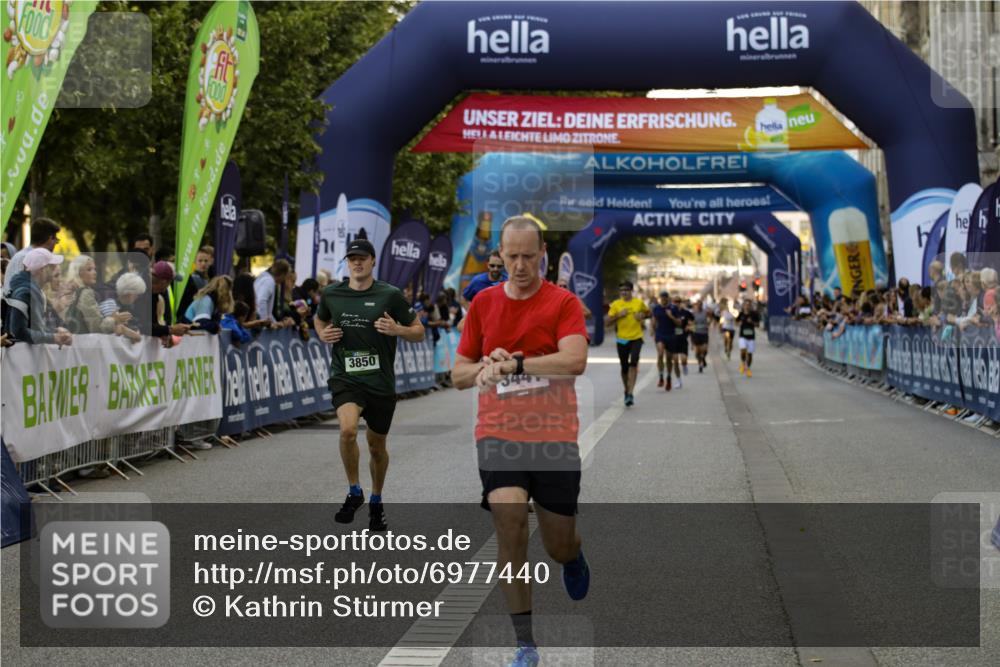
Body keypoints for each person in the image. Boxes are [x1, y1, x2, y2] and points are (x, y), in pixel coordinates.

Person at [452, 216, 589, 667]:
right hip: (498, 432)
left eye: (529, 256)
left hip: (553, 436)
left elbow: (574, 361)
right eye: (511, 256)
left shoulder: (563, 302)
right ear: (501, 255)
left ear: (542, 253)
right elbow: (458, 374)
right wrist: (485, 370)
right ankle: (525, 642)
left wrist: (517, 364)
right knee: (509, 521)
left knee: (556, 544)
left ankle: (572, 555)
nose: (520, 265)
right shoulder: (484, 305)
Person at [314, 238, 425, 531]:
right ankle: (354, 491)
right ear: (347, 263)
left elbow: (419, 332)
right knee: (348, 430)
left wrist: (398, 329)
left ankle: (376, 499)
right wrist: (323, 334)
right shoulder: (332, 293)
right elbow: (319, 320)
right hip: (346, 376)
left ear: (373, 261)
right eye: (352, 258)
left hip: (380, 382)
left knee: (377, 447)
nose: (357, 263)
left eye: (362, 258)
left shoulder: (390, 295)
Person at [3, 248, 73, 347]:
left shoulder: (32, 290)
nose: (55, 268)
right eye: (52, 266)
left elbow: (34, 327)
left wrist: (55, 331)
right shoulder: (25, 291)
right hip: (20, 358)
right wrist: (53, 337)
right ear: (42, 269)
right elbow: (18, 331)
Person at [605, 280, 649, 406]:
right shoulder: (616, 305)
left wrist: (642, 316)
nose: (624, 292)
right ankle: (626, 389)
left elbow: (648, 313)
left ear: (631, 291)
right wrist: (619, 315)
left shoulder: (638, 303)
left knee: (633, 364)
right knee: (624, 367)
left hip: (636, 338)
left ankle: (630, 393)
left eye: (626, 290)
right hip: (622, 339)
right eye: (622, 290)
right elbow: (607, 322)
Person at [63, 255, 122, 334]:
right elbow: (97, 327)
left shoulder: (65, 292)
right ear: (78, 272)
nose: (95, 273)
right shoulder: (86, 293)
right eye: (89, 269)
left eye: (94, 269)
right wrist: (114, 319)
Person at [3, 218, 60, 298]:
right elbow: (21, 293)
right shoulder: (25, 258)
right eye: (56, 240)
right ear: (50, 239)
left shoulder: (26, 256)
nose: (56, 244)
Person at [150, 261, 190, 345]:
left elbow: (152, 323)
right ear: (164, 282)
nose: (169, 286)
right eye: (169, 282)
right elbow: (143, 326)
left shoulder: (154, 294)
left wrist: (163, 333)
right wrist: (170, 329)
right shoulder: (141, 291)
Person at [254, 259, 291, 327]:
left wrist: (275, 323)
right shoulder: (269, 281)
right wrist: (265, 322)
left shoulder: (263, 277)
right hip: (259, 324)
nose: (284, 279)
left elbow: (268, 312)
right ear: (283, 274)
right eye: (286, 276)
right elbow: (261, 301)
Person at [651, 291, 675, 390]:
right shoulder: (656, 308)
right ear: (660, 298)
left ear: (668, 298)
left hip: (671, 335)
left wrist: (671, 316)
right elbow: (654, 320)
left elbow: (678, 323)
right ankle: (661, 376)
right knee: (660, 354)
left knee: (669, 358)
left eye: (665, 297)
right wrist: (652, 329)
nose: (663, 299)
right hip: (660, 334)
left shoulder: (673, 308)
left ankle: (668, 377)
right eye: (662, 297)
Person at [736, 300, 761, 377]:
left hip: (751, 336)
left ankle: (748, 368)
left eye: (748, 305)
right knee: (743, 350)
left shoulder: (754, 314)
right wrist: (738, 323)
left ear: (750, 306)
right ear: (743, 306)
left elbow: (758, 325)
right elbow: (736, 322)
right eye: (745, 305)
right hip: (742, 335)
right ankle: (743, 363)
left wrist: (752, 322)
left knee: (750, 354)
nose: (747, 306)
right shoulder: (741, 314)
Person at [690, 299, 710, 373]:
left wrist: (708, 323)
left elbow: (709, 319)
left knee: (704, 350)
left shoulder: (705, 312)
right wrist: (691, 330)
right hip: (696, 333)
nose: (699, 306)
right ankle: (700, 365)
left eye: (700, 304)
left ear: (702, 305)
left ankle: (703, 358)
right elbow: (691, 323)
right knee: (697, 352)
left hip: (704, 333)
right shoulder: (693, 313)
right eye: (698, 304)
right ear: (696, 305)